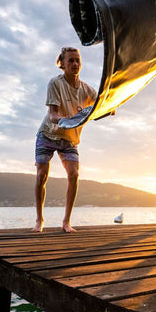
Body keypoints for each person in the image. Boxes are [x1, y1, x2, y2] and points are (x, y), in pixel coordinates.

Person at [32, 47, 97, 233]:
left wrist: (108, 108)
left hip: (69, 139)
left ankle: (66, 222)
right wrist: (63, 121)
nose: (75, 64)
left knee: (74, 174)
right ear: (62, 64)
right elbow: (52, 113)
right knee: (41, 175)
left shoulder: (86, 89)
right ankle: (39, 220)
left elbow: (100, 104)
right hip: (48, 134)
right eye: (71, 61)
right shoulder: (55, 83)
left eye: (77, 60)